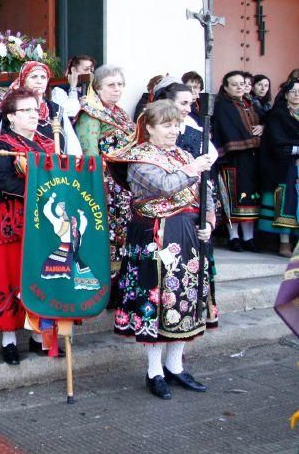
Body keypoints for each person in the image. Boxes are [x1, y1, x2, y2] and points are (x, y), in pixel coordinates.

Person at [110, 100, 217, 400]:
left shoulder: (183, 154)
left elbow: (205, 191)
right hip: (154, 236)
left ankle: (176, 365)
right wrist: (193, 169)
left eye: (176, 125)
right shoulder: (139, 159)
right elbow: (163, 186)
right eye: (166, 125)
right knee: (155, 300)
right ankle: (154, 371)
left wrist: (209, 220)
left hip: (189, 236)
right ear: (150, 128)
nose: (173, 131)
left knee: (186, 298)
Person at [0, 88, 60, 364]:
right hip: (13, 220)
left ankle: (41, 337)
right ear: (11, 117)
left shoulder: (49, 142)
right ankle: (9, 340)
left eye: (34, 109)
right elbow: (1, 182)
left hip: (46, 221)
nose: (32, 115)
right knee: (10, 276)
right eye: (25, 110)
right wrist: (39, 190)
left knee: (43, 275)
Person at [75, 65, 136, 287]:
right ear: (98, 87)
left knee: (123, 236)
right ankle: (103, 285)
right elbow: (89, 154)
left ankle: (120, 283)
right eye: (111, 85)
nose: (116, 89)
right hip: (105, 185)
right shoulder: (90, 113)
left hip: (125, 185)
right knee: (105, 235)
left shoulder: (120, 113)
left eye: (120, 84)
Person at [213, 70, 263, 252]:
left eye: (242, 83)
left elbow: (265, 122)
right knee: (234, 199)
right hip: (232, 158)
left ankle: (249, 238)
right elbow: (226, 130)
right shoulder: (222, 106)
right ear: (225, 87)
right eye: (234, 84)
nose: (239, 87)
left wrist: (263, 128)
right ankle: (234, 237)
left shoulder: (252, 104)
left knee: (251, 198)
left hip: (252, 158)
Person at [3, 60, 81, 156]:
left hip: (57, 167)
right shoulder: (13, 108)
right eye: (34, 77)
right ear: (23, 79)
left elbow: (72, 145)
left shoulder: (56, 110)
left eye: (43, 77)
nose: (39, 81)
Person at [258, 78, 299, 256]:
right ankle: (284, 242)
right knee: (287, 200)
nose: (297, 95)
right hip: (284, 165)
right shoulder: (278, 114)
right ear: (286, 94)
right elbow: (277, 142)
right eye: (293, 91)